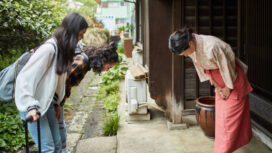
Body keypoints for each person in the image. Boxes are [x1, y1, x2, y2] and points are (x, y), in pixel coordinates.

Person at [169, 27, 253, 153]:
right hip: (220, 86)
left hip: (232, 83)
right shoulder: (192, 47)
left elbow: (228, 67)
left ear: (190, 44)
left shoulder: (212, 46)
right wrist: (218, 87)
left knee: (228, 126)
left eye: (184, 53)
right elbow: (203, 70)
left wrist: (228, 88)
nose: (185, 55)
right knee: (220, 125)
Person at [15, 12, 88, 153]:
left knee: (57, 145)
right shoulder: (49, 49)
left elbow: (57, 83)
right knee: (47, 148)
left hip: (47, 103)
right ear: (72, 33)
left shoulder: (62, 50)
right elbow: (24, 79)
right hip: (32, 105)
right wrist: (31, 107)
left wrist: (58, 104)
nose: (82, 38)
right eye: (81, 34)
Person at [56, 42, 119, 153]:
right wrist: (58, 104)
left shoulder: (87, 62)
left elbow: (68, 84)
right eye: (108, 67)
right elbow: (63, 82)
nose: (107, 70)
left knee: (61, 125)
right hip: (53, 98)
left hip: (58, 98)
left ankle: (64, 150)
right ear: (103, 61)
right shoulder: (82, 61)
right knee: (57, 128)